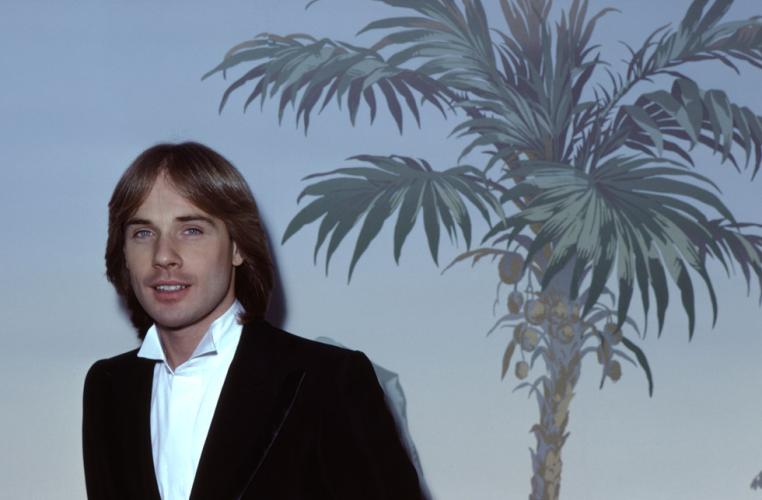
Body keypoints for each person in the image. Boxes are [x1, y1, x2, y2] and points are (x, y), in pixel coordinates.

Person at [82, 142, 425, 500]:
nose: (163, 255)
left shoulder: (329, 380)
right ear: (123, 253)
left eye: (192, 230)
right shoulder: (108, 388)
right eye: (143, 233)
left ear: (238, 247)